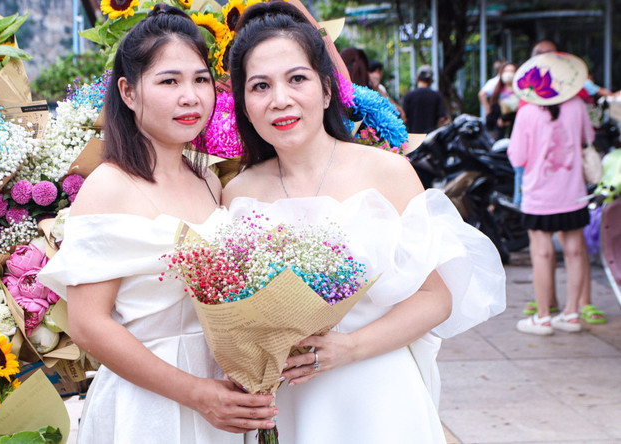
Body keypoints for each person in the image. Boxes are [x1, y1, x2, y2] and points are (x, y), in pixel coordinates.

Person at [224, 2, 506, 442]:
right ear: (244, 100)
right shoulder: (237, 194)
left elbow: (437, 296)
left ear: (327, 89)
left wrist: (348, 348)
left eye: (297, 79)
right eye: (260, 86)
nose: (280, 99)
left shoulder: (386, 172)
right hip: (291, 401)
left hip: (379, 390)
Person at [38, 5, 276, 442]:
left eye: (200, 79)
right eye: (170, 81)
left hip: (222, 400)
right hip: (148, 405)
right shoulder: (109, 185)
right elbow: (89, 325)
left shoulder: (207, 179)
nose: (191, 96)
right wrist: (197, 394)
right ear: (128, 92)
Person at [509, 52, 595, 335]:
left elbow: (516, 157)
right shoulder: (578, 106)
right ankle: (572, 314)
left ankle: (543, 317)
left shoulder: (526, 112)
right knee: (574, 251)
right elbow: (588, 140)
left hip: (538, 196)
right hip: (573, 193)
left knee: (542, 254)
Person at [403, 65, 449, 134]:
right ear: (431, 80)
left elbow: (404, 118)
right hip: (431, 139)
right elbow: (442, 119)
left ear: (417, 78)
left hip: (414, 139)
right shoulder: (437, 96)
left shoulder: (409, 96)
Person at [486, 63, 519, 140]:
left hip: (515, 131)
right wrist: (498, 121)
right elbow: (491, 116)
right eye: (506, 71)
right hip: (499, 133)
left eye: (511, 71)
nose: (509, 73)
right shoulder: (497, 92)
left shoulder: (520, 92)